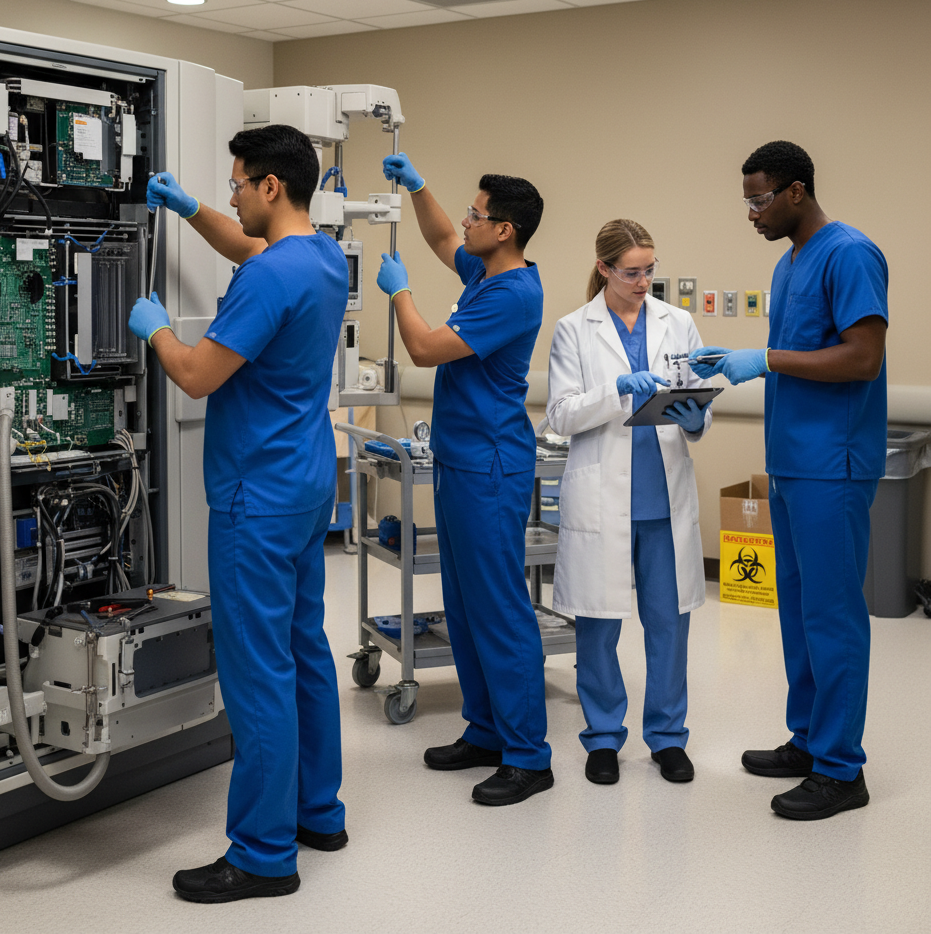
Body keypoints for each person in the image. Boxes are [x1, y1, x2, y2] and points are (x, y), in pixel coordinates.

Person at [127, 124, 349, 901]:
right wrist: (189, 209)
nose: (229, 194)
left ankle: (261, 854)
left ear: (270, 187)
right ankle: (317, 813)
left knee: (258, 674)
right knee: (304, 650)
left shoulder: (267, 279)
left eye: (234, 183)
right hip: (305, 486)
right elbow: (247, 248)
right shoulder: (321, 259)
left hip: (254, 497)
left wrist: (154, 326)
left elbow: (194, 375)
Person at [690, 140, 888, 821]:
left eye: (759, 198)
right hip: (793, 464)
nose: (750, 213)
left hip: (832, 466)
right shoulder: (789, 263)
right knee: (800, 614)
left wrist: (767, 358)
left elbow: (862, 358)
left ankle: (841, 770)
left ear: (796, 192)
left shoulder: (849, 253)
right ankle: (808, 741)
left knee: (833, 618)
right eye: (746, 199)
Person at [377, 154, 552, 806]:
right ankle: (486, 732)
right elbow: (440, 239)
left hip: (492, 467)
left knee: (502, 609)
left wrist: (398, 291)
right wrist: (417, 187)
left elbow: (423, 348)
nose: (466, 221)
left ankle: (529, 756)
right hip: (459, 459)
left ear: (504, 230)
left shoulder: (513, 294)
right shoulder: (484, 270)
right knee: (465, 605)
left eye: (477, 214)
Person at [546, 220, 711, 786]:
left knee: (669, 625)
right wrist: (618, 389)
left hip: (663, 503)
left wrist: (697, 417)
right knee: (598, 626)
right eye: (632, 272)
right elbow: (561, 414)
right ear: (604, 270)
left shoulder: (678, 322)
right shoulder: (574, 329)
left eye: (649, 270)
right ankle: (601, 738)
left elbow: (693, 401)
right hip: (602, 497)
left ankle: (667, 739)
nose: (644, 282)